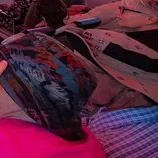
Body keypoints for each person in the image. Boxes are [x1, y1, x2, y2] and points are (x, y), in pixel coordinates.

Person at [55, 24, 158, 158]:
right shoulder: (114, 103)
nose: (76, 79)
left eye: (88, 74)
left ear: (131, 91)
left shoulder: (116, 146)